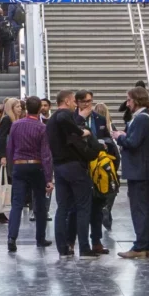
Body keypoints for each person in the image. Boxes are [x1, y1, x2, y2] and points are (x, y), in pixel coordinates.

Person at [47, 89, 101, 258]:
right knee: (83, 206)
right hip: (73, 166)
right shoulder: (63, 115)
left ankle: (63, 247)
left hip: (59, 167)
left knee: (62, 207)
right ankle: (84, 247)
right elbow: (65, 118)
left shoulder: (51, 121)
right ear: (69, 101)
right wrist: (80, 132)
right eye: (73, 101)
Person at [114, 86, 149, 259]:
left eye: (129, 99)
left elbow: (132, 142)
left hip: (138, 170)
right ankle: (148, 245)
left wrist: (119, 137)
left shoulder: (141, 119)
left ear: (136, 100)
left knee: (139, 209)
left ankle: (139, 247)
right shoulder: (147, 117)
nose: (127, 103)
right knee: (146, 209)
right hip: (145, 169)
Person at [6, 96, 53, 251]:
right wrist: (48, 178)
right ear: (39, 109)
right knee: (39, 203)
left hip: (19, 165)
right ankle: (40, 238)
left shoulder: (16, 125)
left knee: (17, 203)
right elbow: (46, 154)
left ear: (25, 108)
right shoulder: (42, 128)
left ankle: (12, 238)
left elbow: (10, 148)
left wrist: (11, 169)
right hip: (36, 166)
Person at [75, 91, 112, 254]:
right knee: (77, 208)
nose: (87, 104)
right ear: (76, 102)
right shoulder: (71, 119)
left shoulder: (99, 119)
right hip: (79, 166)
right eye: (83, 101)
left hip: (98, 167)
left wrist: (105, 143)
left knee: (97, 207)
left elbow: (108, 138)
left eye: (89, 101)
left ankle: (96, 241)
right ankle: (73, 242)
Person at [94, 101, 119, 230]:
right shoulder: (111, 127)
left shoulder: (92, 127)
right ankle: (107, 209)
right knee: (112, 188)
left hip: (96, 163)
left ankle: (100, 211)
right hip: (110, 163)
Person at [0, 7, 14, 73]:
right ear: (2, 13)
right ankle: (6, 69)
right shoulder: (7, 20)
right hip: (7, 39)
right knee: (6, 55)